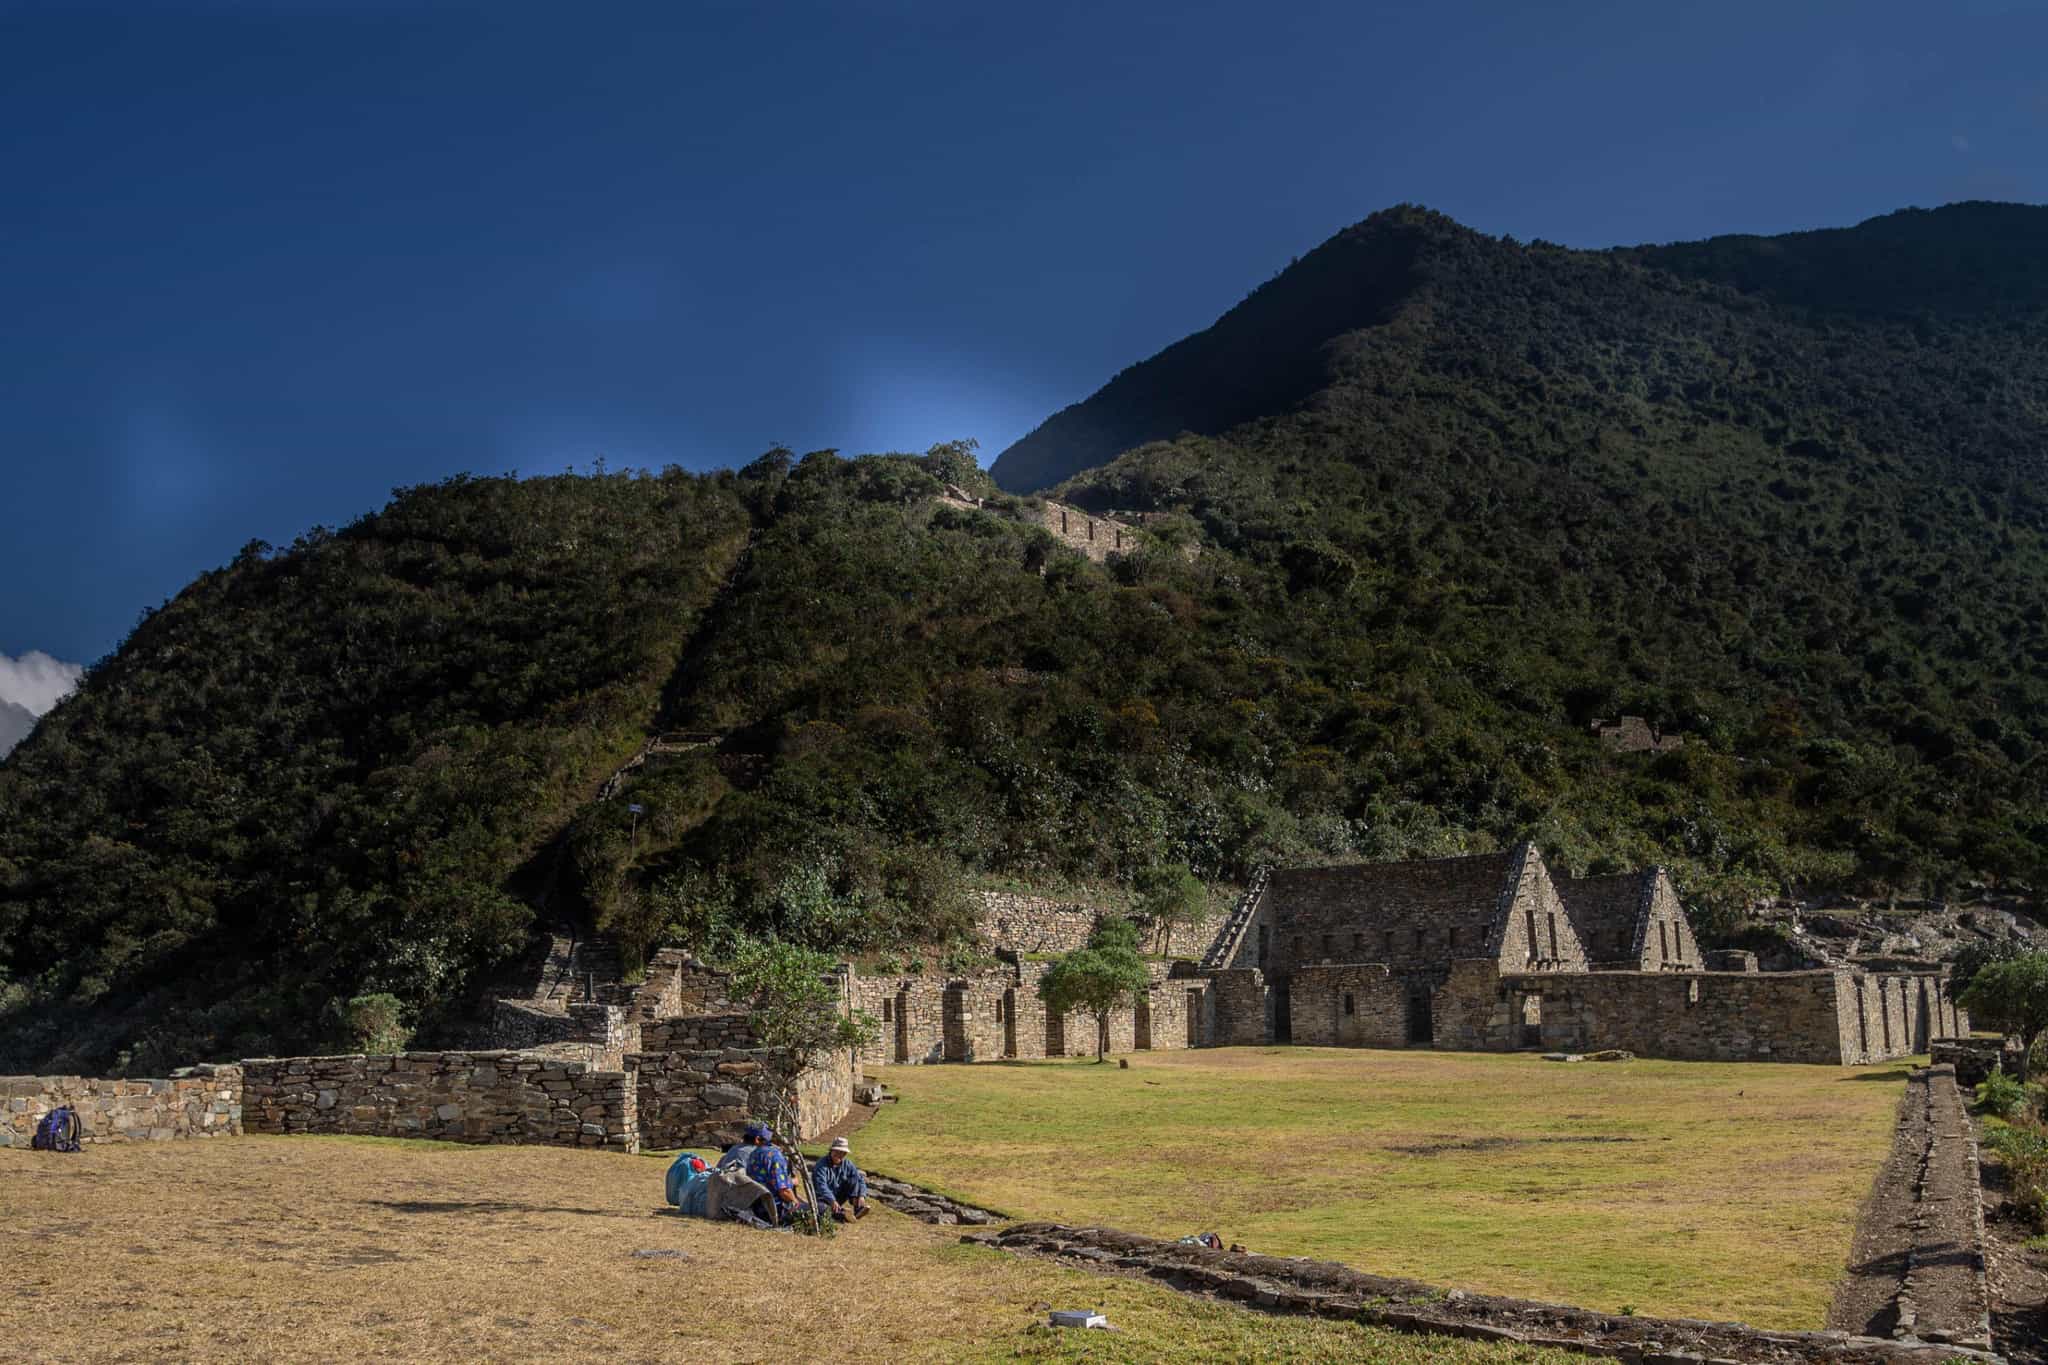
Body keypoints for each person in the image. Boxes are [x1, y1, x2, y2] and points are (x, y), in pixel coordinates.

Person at [738, 1120, 808, 1225]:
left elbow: (768, 1180)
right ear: (757, 1139)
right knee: (822, 1208)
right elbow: (783, 1191)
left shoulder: (753, 1155)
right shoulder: (774, 1156)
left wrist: (790, 1182)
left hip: (758, 1209)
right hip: (776, 1210)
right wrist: (796, 1202)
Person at [810, 1137, 870, 1221]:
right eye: (837, 1152)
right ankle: (842, 1214)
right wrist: (832, 1200)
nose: (840, 1155)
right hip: (823, 1198)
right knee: (824, 1210)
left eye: (843, 1153)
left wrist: (862, 1195)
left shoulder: (847, 1164)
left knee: (854, 1180)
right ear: (831, 1151)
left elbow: (859, 1180)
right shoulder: (821, 1165)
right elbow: (821, 1186)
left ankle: (858, 1208)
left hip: (838, 1196)